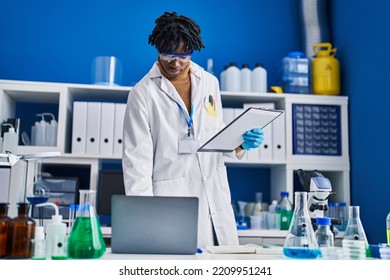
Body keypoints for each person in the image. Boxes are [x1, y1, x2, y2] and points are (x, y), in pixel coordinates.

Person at [122, 11, 264, 248]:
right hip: (171, 204)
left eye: (183, 55)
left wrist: (240, 143)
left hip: (215, 197)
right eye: (168, 54)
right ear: (157, 49)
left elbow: (213, 136)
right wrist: (144, 219)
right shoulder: (142, 94)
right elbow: (136, 164)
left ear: (192, 49)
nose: (175, 62)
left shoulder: (209, 82)